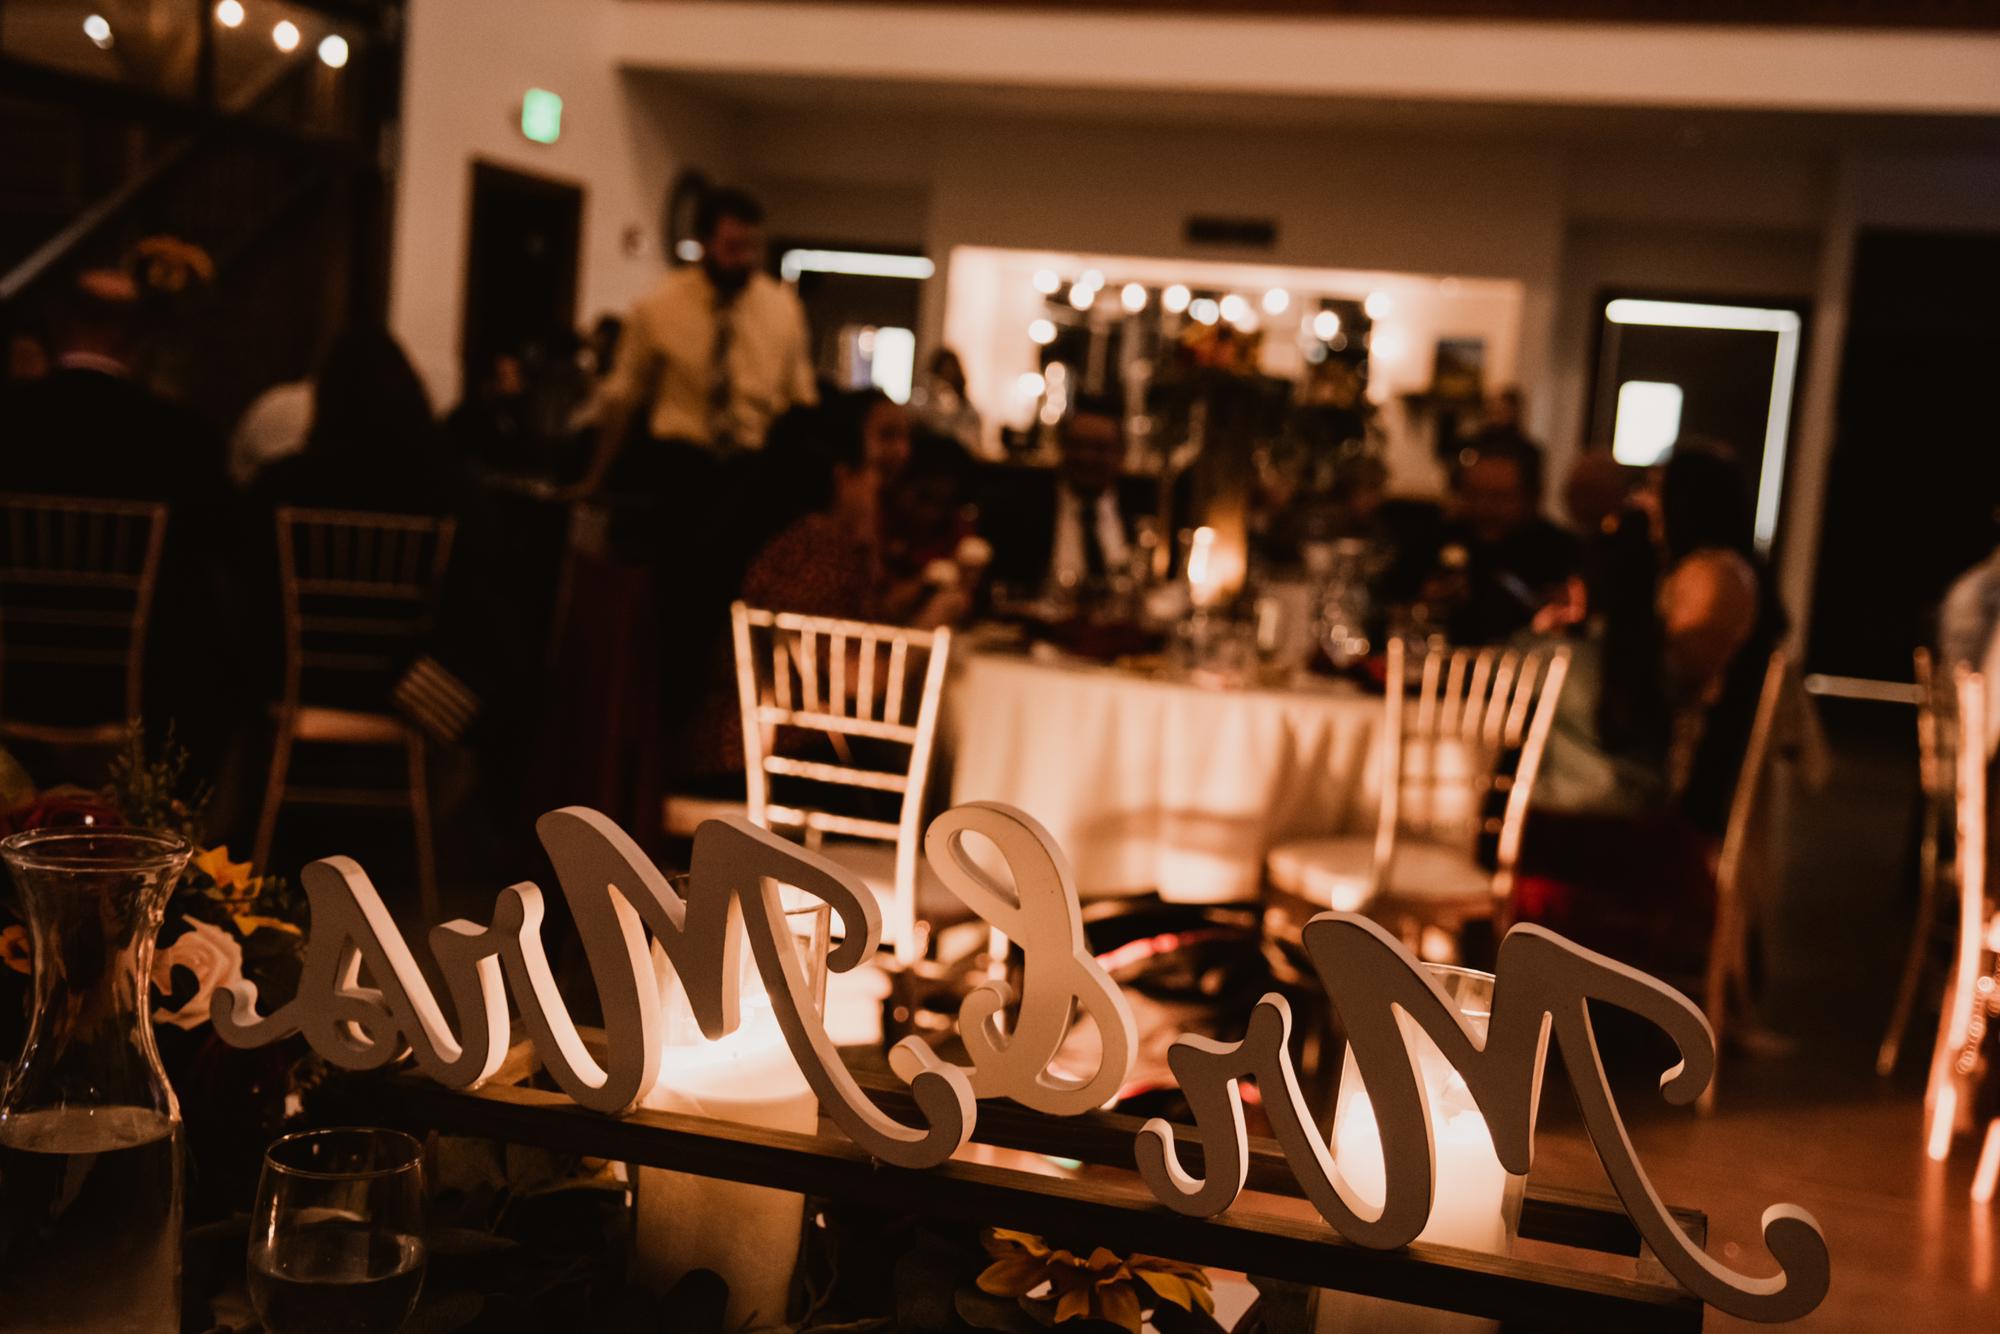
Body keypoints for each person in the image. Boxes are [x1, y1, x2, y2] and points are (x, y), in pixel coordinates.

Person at [981, 395, 1139, 595]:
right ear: (1062, 447)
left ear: (1122, 453)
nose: (1086, 457)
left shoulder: (1142, 513)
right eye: (1078, 445)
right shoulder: (1020, 508)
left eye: (1100, 448)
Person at [1440, 440, 1580, 644]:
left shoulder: (1560, 551)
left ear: (1531, 498)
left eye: (1499, 497)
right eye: (1473, 494)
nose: (1484, 507)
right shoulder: (1441, 537)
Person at [910, 347, 982, 453]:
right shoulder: (923, 403)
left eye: (951, 373)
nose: (947, 378)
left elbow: (972, 442)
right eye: (943, 373)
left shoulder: (968, 411)